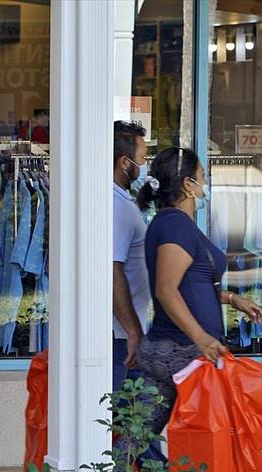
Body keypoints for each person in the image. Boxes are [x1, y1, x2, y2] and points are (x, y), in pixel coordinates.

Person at [130, 148, 262, 472]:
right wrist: (203, 339)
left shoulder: (175, 223)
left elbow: (192, 283)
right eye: (202, 175)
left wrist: (231, 298)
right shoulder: (174, 225)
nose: (207, 182)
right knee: (225, 444)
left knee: (133, 439)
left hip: (172, 350)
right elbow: (167, 289)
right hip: (185, 354)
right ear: (188, 184)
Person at [112, 120, 150, 391]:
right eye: (142, 158)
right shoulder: (114, 206)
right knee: (123, 424)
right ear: (125, 162)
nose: (145, 164)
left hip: (124, 333)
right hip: (119, 338)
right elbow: (111, 271)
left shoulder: (123, 200)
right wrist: (133, 331)